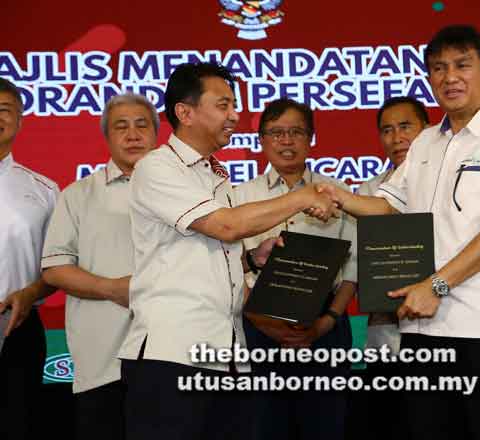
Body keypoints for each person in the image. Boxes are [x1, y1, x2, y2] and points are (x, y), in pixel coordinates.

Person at [317, 25, 480, 440]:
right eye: (438, 68)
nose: (450, 77)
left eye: (462, 65)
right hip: (423, 328)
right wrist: (337, 196)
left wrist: (435, 285)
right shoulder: (424, 143)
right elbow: (386, 206)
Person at [116, 62, 337, 440]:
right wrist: (301, 196)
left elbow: (207, 251)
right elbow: (227, 226)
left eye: (234, 105)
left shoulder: (215, 175)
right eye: (223, 105)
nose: (235, 115)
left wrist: (252, 259)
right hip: (173, 357)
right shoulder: (157, 167)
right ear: (185, 113)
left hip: (227, 353)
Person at [233, 98, 357, 440]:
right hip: (258, 322)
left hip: (325, 323)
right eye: (276, 132)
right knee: (263, 426)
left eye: (296, 132)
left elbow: (354, 267)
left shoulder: (338, 193)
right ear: (261, 140)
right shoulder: (239, 196)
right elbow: (229, 268)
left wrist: (326, 322)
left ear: (311, 138)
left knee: (326, 426)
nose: (286, 141)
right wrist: (265, 324)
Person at [41, 93, 159, 440]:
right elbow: (55, 268)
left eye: (142, 125)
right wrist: (112, 289)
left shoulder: (186, 193)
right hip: (102, 359)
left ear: (156, 134)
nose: (133, 135)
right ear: (107, 137)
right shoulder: (78, 195)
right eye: (121, 127)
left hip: (170, 355)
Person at [358, 96, 428, 440]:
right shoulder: (369, 192)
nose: (396, 137)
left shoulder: (447, 187)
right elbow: (359, 263)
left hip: (442, 330)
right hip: (385, 337)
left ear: (427, 130)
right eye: (387, 130)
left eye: (405, 126)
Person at [0, 77, 58, 440]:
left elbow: (58, 268)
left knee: (16, 424)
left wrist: (31, 293)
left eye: (4, 111)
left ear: (20, 120)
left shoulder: (45, 190)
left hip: (17, 325)